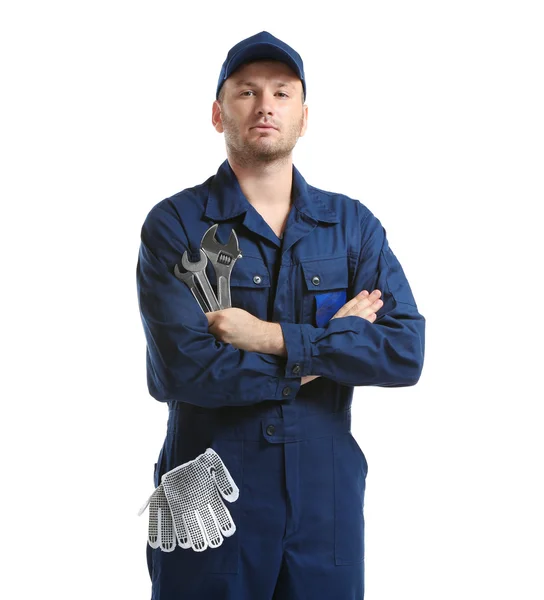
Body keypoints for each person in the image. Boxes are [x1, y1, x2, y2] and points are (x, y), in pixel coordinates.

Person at [136, 30, 425, 600]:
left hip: (327, 503)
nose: (265, 105)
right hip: (209, 497)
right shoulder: (177, 226)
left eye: (282, 93)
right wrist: (331, 345)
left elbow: (404, 351)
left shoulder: (352, 227)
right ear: (218, 114)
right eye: (246, 92)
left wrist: (268, 337)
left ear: (304, 116)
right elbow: (183, 371)